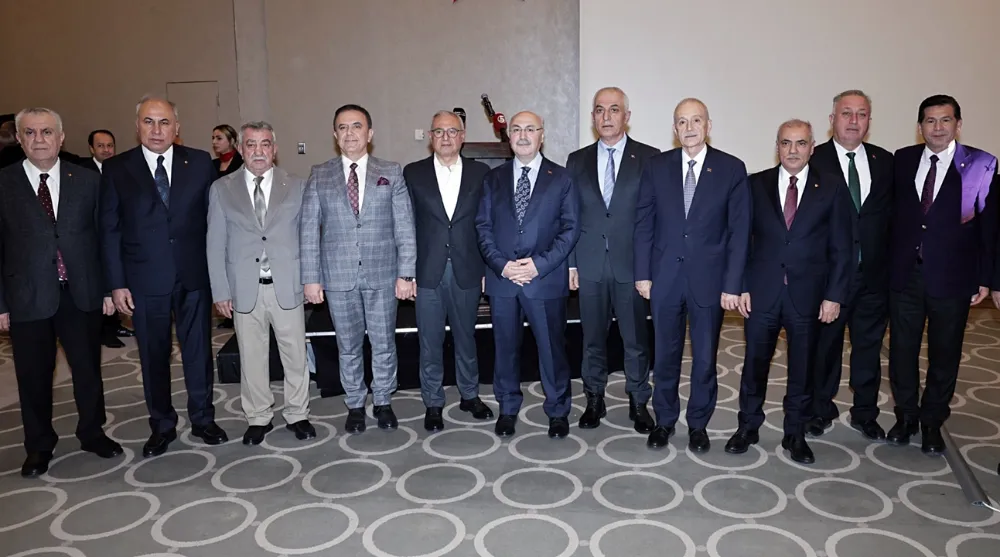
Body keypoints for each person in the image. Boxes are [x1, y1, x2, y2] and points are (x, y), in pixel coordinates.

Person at [101, 95, 228, 458]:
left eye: (164, 122)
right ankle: (161, 425)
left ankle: (203, 418)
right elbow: (109, 229)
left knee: (198, 351)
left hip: (193, 275)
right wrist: (116, 283)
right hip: (144, 280)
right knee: (153, 355)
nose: (156, 130)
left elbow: (215, 221)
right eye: (149, 122)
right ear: (137, 126)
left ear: (177, 127)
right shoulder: (117, 168)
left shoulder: (199, 162)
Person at [0, 108, 122, 477]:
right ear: (19, 139)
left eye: (47, 132)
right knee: (33, 376)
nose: (39, 139)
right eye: (30, 132)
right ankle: (39, 445)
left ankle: (92, 432)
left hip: (80, 292)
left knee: (88, 370)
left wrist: (107, 289)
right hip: (27, 296)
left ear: (61, 137)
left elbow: (103, 238)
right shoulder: (3, 182)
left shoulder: (86, 180)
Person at [726, 119, 852, 464]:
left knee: (803, 370)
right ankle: (747, 427)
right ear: (777, 146)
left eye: (800, 143)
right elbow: (741, 240)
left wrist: (834, 295)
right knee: (754, 365)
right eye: (785, 143)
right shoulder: (756, 184)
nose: (792, 150)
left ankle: (795, 434)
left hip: (809, 296)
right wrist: (741, 285)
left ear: (812, 147)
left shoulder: (832, 187)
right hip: (761, 293)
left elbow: (842, 246)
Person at [633, 98, 751, 452]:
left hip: (709, 282)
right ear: (674, 128)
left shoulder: (731, 168)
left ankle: (698, 424)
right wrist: (642, 274)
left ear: (708, 126)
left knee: (704, 358)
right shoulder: (656, 167)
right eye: (682, 122)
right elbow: (644, 224)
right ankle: (665, 420)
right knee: (664, 355)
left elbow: (739, 232)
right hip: (664, 278)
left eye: (696, 120)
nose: (689, 128)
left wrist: (733, 284)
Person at [888, 95, 998, 455]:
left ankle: (932, 421)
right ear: (920, 126)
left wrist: (986, 277)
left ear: (958, 124)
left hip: (954, 277)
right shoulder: (903, 159)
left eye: (945, 120)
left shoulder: (981, 164)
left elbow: (989, 226)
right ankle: (906, 416)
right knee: (902, 351)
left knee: (945, 353)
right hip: (906, 275)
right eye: (930, 121)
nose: (937, 128)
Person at [301, 104, 416, 434]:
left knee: (383, 343)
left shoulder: (390, 171)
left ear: (370, 133)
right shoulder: (320, 174)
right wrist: (311, 278)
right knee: (348, 346)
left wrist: (406, 273)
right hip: (338, 276)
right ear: (334, 135)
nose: (349, 133)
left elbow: (404, 226)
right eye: (343, 127)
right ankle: (354, 403)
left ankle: (382, 400)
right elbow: (308, 229)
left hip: (383, 275)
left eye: (356, 126)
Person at [206, 121, 315, 445]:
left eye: (265, 144)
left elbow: (308, 239)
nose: (258, 151)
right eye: (251, 144)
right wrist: (220, 291)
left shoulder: (296, 185)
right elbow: (215, 244)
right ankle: (258, 416)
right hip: (244, 288)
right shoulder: (221, 189)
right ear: (241, 149)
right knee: (251, 357)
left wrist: (311, 279)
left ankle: (297, 413)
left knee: (295, 354)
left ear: (274, 149)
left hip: (288, 285)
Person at [476, 110, 581, 439]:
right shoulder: (492, 179)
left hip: (544, 279)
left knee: (552, 349)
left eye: (530, 129)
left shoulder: (561, 178)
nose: (523, 135)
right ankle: (507, 407)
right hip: (503, 279)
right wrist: (502, 265)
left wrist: (538, 265)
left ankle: (558, 410)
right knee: (505, 348)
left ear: (541, 135)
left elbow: (570, 229)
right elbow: (483, 227)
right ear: (509, 137)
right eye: (517, 129)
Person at [566, 87, 658, 434]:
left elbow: (654, 217)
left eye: (614, 109)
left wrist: (649, 267)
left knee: (635, 339)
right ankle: (594, 398)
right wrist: (571, 264)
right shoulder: (576, 160)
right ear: (593, 117)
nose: (606, 116)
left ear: (626, 116)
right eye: (600, 110)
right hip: (589, 264)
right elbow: (569, 216)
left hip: (631, 266)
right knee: (592, 339)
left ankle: (639, 400)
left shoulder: (650, 158)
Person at [807, 90, 893, 441]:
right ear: (832, 120)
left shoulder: (885, 162)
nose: (854, 121)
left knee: (869, 349)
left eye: (861, 114)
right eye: (846, 113)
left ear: (869, 120)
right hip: (829, 279)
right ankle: (819, 410)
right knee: (824, 348)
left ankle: (866, 412)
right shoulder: (813, 160)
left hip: (873, 277)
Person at [404, 110, 492, 432]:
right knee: (430, 342)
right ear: (430, 137)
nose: (446, 137)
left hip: (468, 270)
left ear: (462, 136)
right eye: (439, 131)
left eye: (452, 131)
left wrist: (487, 268)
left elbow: (487, 225)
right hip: (427, 271)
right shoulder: (413, 173)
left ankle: (469, 395)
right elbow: (406, 225)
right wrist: (406, 272)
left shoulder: (481, 173)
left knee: (466, 337)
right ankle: (433, 402)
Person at [79, 129, 137, 349]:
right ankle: (103, 330)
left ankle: (115, 324)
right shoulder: (83, 173)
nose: (106, 150)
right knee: (102, 287)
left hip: (119, 236)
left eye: (110, 145)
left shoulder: (122, 169)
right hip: (93, 240)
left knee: (118, 281)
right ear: (91, 148)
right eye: (101, 146)